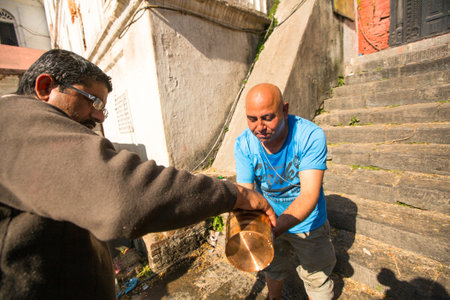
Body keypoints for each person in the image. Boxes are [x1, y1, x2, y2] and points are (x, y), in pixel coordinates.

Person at [0, 49, 276, 299]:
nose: (99, 117)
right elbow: (123, 194)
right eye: (93, 101)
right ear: (46, 87)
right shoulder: (14, 122)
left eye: (103, 107)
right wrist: (235, 194)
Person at [234, 83, 336, 300]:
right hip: (268, 222)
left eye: (268, 118)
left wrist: (272, 231)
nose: (259, 127)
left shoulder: (310, 136)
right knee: (273, 268)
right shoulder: (244, 144)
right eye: (252, 119)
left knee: (317, 277)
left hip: (308, 223)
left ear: (285, 110)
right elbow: (245, 193)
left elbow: (309, 194)